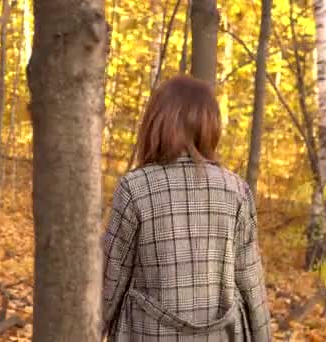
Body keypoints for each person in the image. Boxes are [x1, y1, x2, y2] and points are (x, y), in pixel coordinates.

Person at [102, 75, 271, 341]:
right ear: (210, 125)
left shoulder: (135, 187)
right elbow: (251, 281)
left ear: (156, 123)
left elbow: (109, 280)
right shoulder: (235, 189)